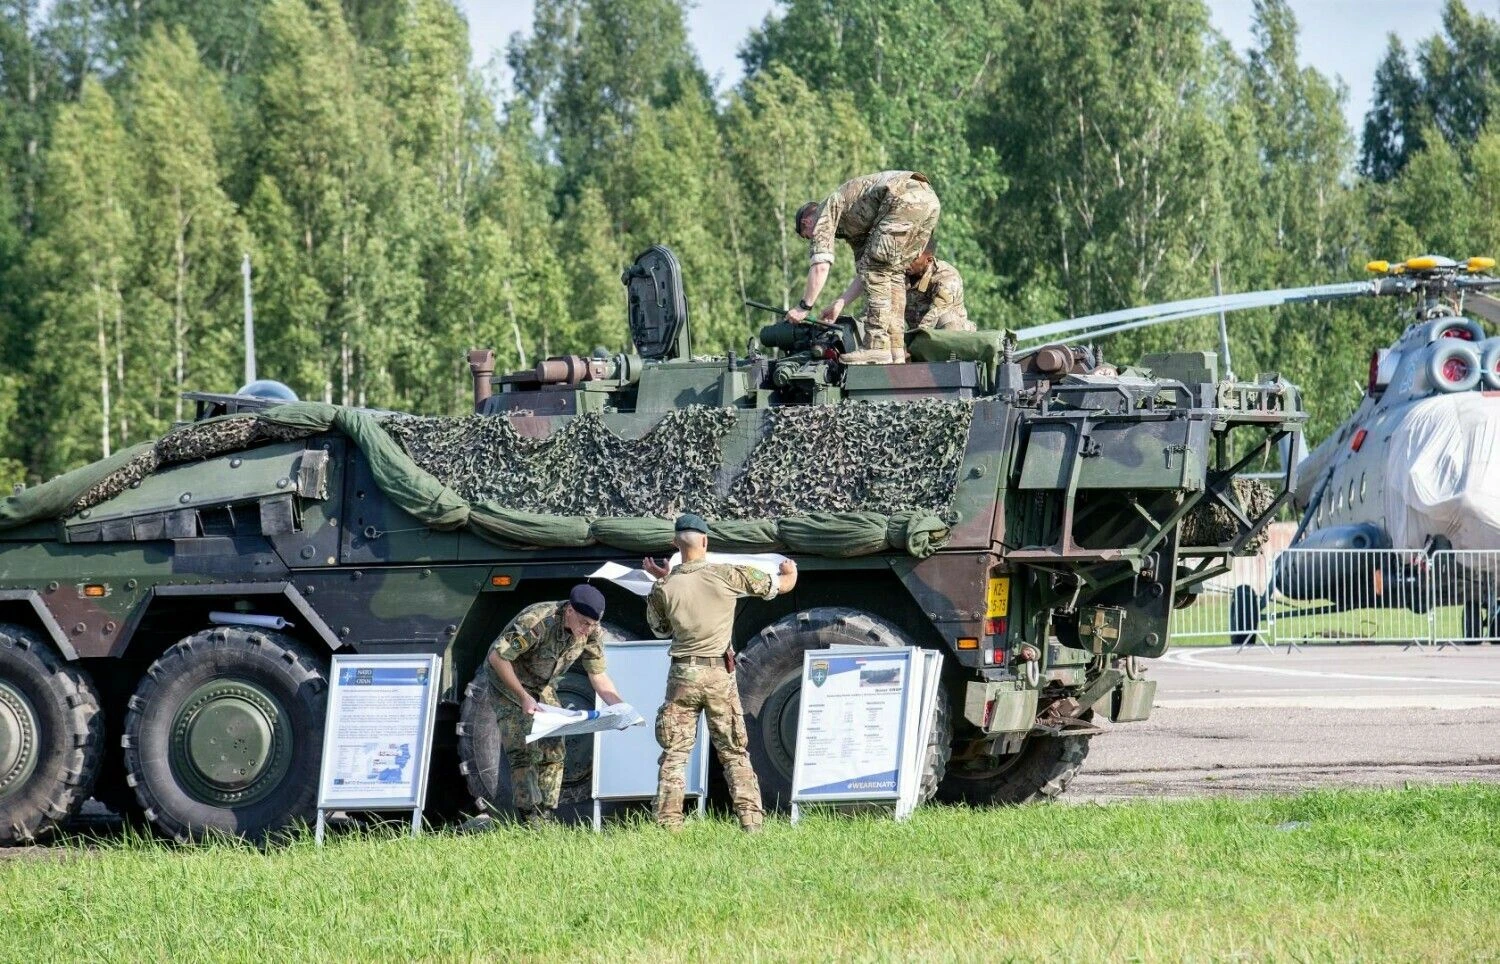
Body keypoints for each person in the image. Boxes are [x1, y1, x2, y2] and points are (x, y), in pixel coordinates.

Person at [642, 513, 798, 833]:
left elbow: (659, 629)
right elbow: (780, 586)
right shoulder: (726, 575)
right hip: (717, 675)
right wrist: (790, 572)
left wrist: (665, 579)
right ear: (705, 542)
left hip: (682, 676)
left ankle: (669, 824)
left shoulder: (663, 586)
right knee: (733, 752)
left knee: (675, 754)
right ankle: (751, 821)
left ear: (675, 544)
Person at [486, 584, 624, 826]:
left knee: (555, 748)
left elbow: (598, 675)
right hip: (509, 684)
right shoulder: (538, 621)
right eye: (583, 622)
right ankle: (531, 818)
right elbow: (497, 657)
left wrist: (619, 707)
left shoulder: (591, 629)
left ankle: (546, 813)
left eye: (592, 624)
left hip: (541, 685)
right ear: (569, 610)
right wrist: (522, 696)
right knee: (523, 749)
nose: (587, 629)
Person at [786, 171, 941, 364]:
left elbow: (821, 265)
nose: (812, 238)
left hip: (903, 199)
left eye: (807, 236)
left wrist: (804, 307)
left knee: (879, 267)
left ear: (806, 222)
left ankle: (876, 347)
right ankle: (894, 349)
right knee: (892, 272)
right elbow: (866, 273)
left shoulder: (823, 213)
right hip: (928, 200)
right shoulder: (853, 224)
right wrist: (841, 303)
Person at [904, 241, 974, 332]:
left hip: (949, 332)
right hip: (916, 330)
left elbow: (938, 310)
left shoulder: (947, 276)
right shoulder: (902, 273)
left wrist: (917, 336)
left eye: (913, 259)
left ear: (928, 260)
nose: (906, 262)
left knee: (947, 319)